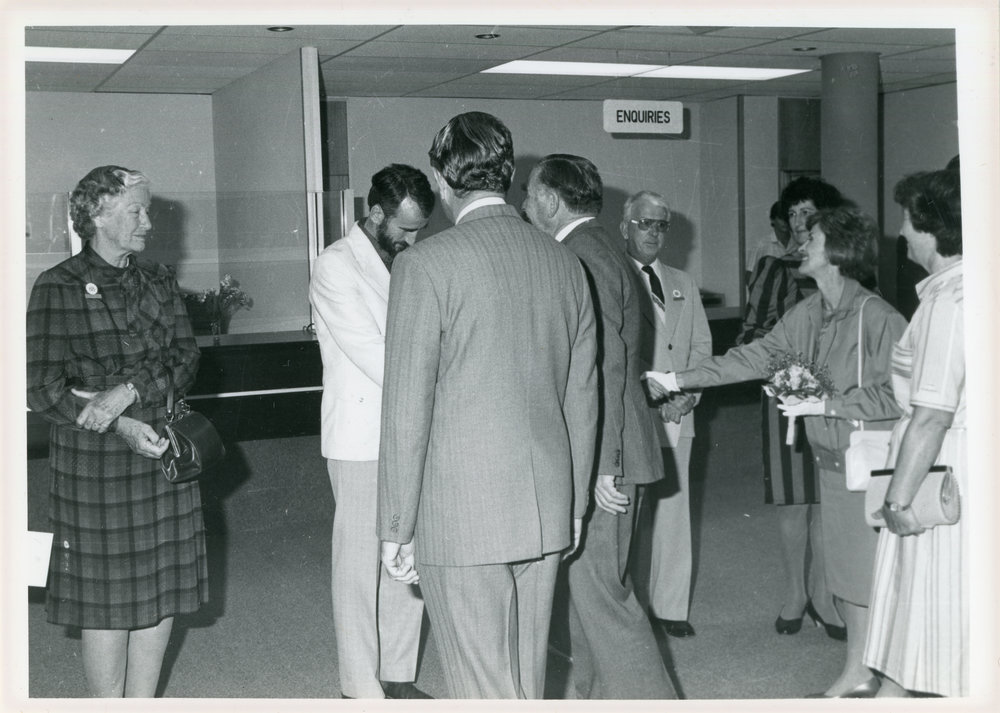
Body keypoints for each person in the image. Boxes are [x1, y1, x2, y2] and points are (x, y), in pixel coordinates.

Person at [376, 112, 598, 699]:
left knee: (480, 688)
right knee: (524, 683)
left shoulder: (423, 264)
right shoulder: (565, 263)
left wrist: (396, 525)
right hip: (546, 506)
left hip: (462, 514)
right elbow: (583, 394)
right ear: (507, 172)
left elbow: (406, 407)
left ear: (440, 178)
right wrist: (573, 507)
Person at [647, 205, 907, 698]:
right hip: (832, 464)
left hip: (870, 464)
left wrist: (826, 402)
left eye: (812, 238)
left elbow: (899, 396)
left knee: (873, 578)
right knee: (846, 575)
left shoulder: (879, 318)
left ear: (837, 251)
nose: (801, 242)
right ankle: (859, 669)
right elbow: (754, 356)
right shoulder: (807, 312)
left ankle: (886, 678)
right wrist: (678, 378)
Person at [26, 166, 205, 697]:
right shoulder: (56, 286)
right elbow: (38, 386)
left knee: (162, 590)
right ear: (98, 216)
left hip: (163, 452)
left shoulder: (158, 280)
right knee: (105, 602)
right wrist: (121, 421)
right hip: (95, 462)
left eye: (148, 210)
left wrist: (128, 390)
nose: (149, 221)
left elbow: (185, 357)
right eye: (137, 211)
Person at [521, 157, 674, 698]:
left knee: (603, 598)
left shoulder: (581, 254)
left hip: (609, 458)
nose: (523, 202)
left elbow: (605, 365)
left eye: (530, 192)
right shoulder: (598, 246)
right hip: (615, 447)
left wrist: (603, 466)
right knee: (592, 596)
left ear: (552, 200)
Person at [308, 164, 435, 700]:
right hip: (361, 436)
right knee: (359, 563)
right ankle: (360, 685)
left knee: (407, 550)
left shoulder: (413, 261)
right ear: (375, 213)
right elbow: (376, 355)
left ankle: (398, 673)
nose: (412, 239)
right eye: (404, 229)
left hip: (412, 429)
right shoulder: (334, 266)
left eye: (419, 229)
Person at [864, 169, 966, 698]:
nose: (900, 231)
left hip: (940, 466)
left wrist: (898, 498)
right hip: (949, 456)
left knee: (933, 595)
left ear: (931, 229)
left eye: (907, 220)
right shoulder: (955, 291)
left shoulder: (951, 302)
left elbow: (932, 415)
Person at [739, 176, 850, 640]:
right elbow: (751, 335)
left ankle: (824, 595)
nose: (800, 223)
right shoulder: (775, 269)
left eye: (809, 213)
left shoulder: (847, 271)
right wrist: (792, 384)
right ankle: (794, 594)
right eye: (793, 214)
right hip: (787, 401)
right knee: (792, 501)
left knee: (827, 500)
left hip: (837, 402)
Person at [620, 191, 712, 640]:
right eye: (645, 223)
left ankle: (670, 607)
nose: (653, 233)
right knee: (630, 516)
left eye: (661, 225)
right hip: (633, 413)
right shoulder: (612, 277)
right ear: (626, 226)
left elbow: (701, 348)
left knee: (674, 512)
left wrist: (688, 394)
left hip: (679, 414)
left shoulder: (682, 282)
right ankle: (629, 610)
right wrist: (649, 388)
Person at [746, 201, 794, 280]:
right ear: (772, 220)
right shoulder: (761, 244)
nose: (785, 222)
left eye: (787, 218)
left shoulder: (798, 243)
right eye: (781, 218)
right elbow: (749, 274)